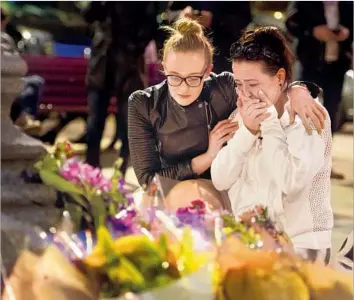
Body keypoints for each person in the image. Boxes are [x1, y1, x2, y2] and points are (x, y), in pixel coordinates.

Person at [128, 18, 327, 189]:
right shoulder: (143, 103)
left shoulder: (224, 87)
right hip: (168, 192)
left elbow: (267, 83)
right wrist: (207, 156)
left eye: (193, 78)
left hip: (219, 190)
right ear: (164, 68)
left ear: (208, 71)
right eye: (174, 77)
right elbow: (148, 182)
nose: (183, 88)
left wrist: (298, 90)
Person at [210, 26, 333, 262]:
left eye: (253, 84)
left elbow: (290, 181)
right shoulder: (241, 116)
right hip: (250, 241)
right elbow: (220, 178)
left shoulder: (309, 114)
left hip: (302, 246)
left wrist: (268, 123)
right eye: (238, 84)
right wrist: (247, 131)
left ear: (279, 78)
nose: (245, 94)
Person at [82, 2, 160, 174]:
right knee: (95, 121)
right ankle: (91, 169)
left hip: (129, 64)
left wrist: (135, 47)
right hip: (103, 62)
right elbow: (88, 16)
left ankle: (121, 171)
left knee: (128, 121)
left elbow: (151, 26)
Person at [286, 1, 353, 179]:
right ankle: (299, 161)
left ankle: (324, 164)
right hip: (309, 64)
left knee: (330, 116)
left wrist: (347, 33)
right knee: (303, 114)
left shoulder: (347, 5)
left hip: (337, 67)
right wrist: (313, 32)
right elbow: (291, 24)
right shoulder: (306, 3)